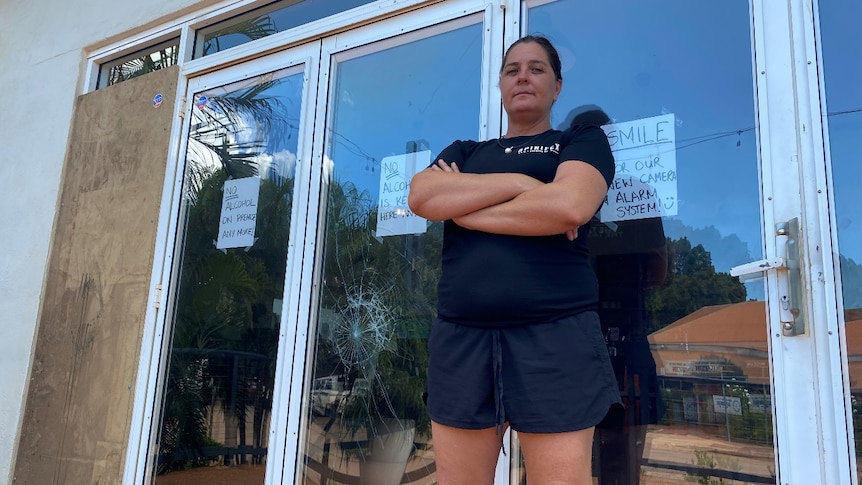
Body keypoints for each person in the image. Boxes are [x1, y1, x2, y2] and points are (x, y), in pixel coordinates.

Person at [407, 35, 622, 485]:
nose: (522, 76)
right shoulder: (465, 151)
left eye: (537, 68)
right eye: (512, 69)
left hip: (555, 335)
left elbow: (569, 207)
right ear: (502, 87)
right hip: (462, 337)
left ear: (558, 86)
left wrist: (463, 210)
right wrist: (526, 186)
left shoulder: (580, 139)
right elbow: (423, 196)